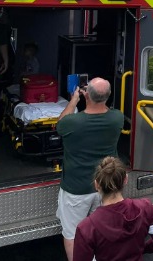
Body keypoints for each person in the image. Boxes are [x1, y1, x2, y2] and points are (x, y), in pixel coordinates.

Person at [56, 77, 124, 261]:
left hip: (76, 189)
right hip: (106, 187)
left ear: (87, 95)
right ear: (108, 96)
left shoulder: (73, 123)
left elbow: (59, 125)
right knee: (100, 231)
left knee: (73, 234)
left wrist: (74, 100)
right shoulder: (117, 118)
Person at [73, 157, 153, 261]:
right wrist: (142, 249)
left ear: (96, 185)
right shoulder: (145, 207)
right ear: (125, 180)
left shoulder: (86, 227)